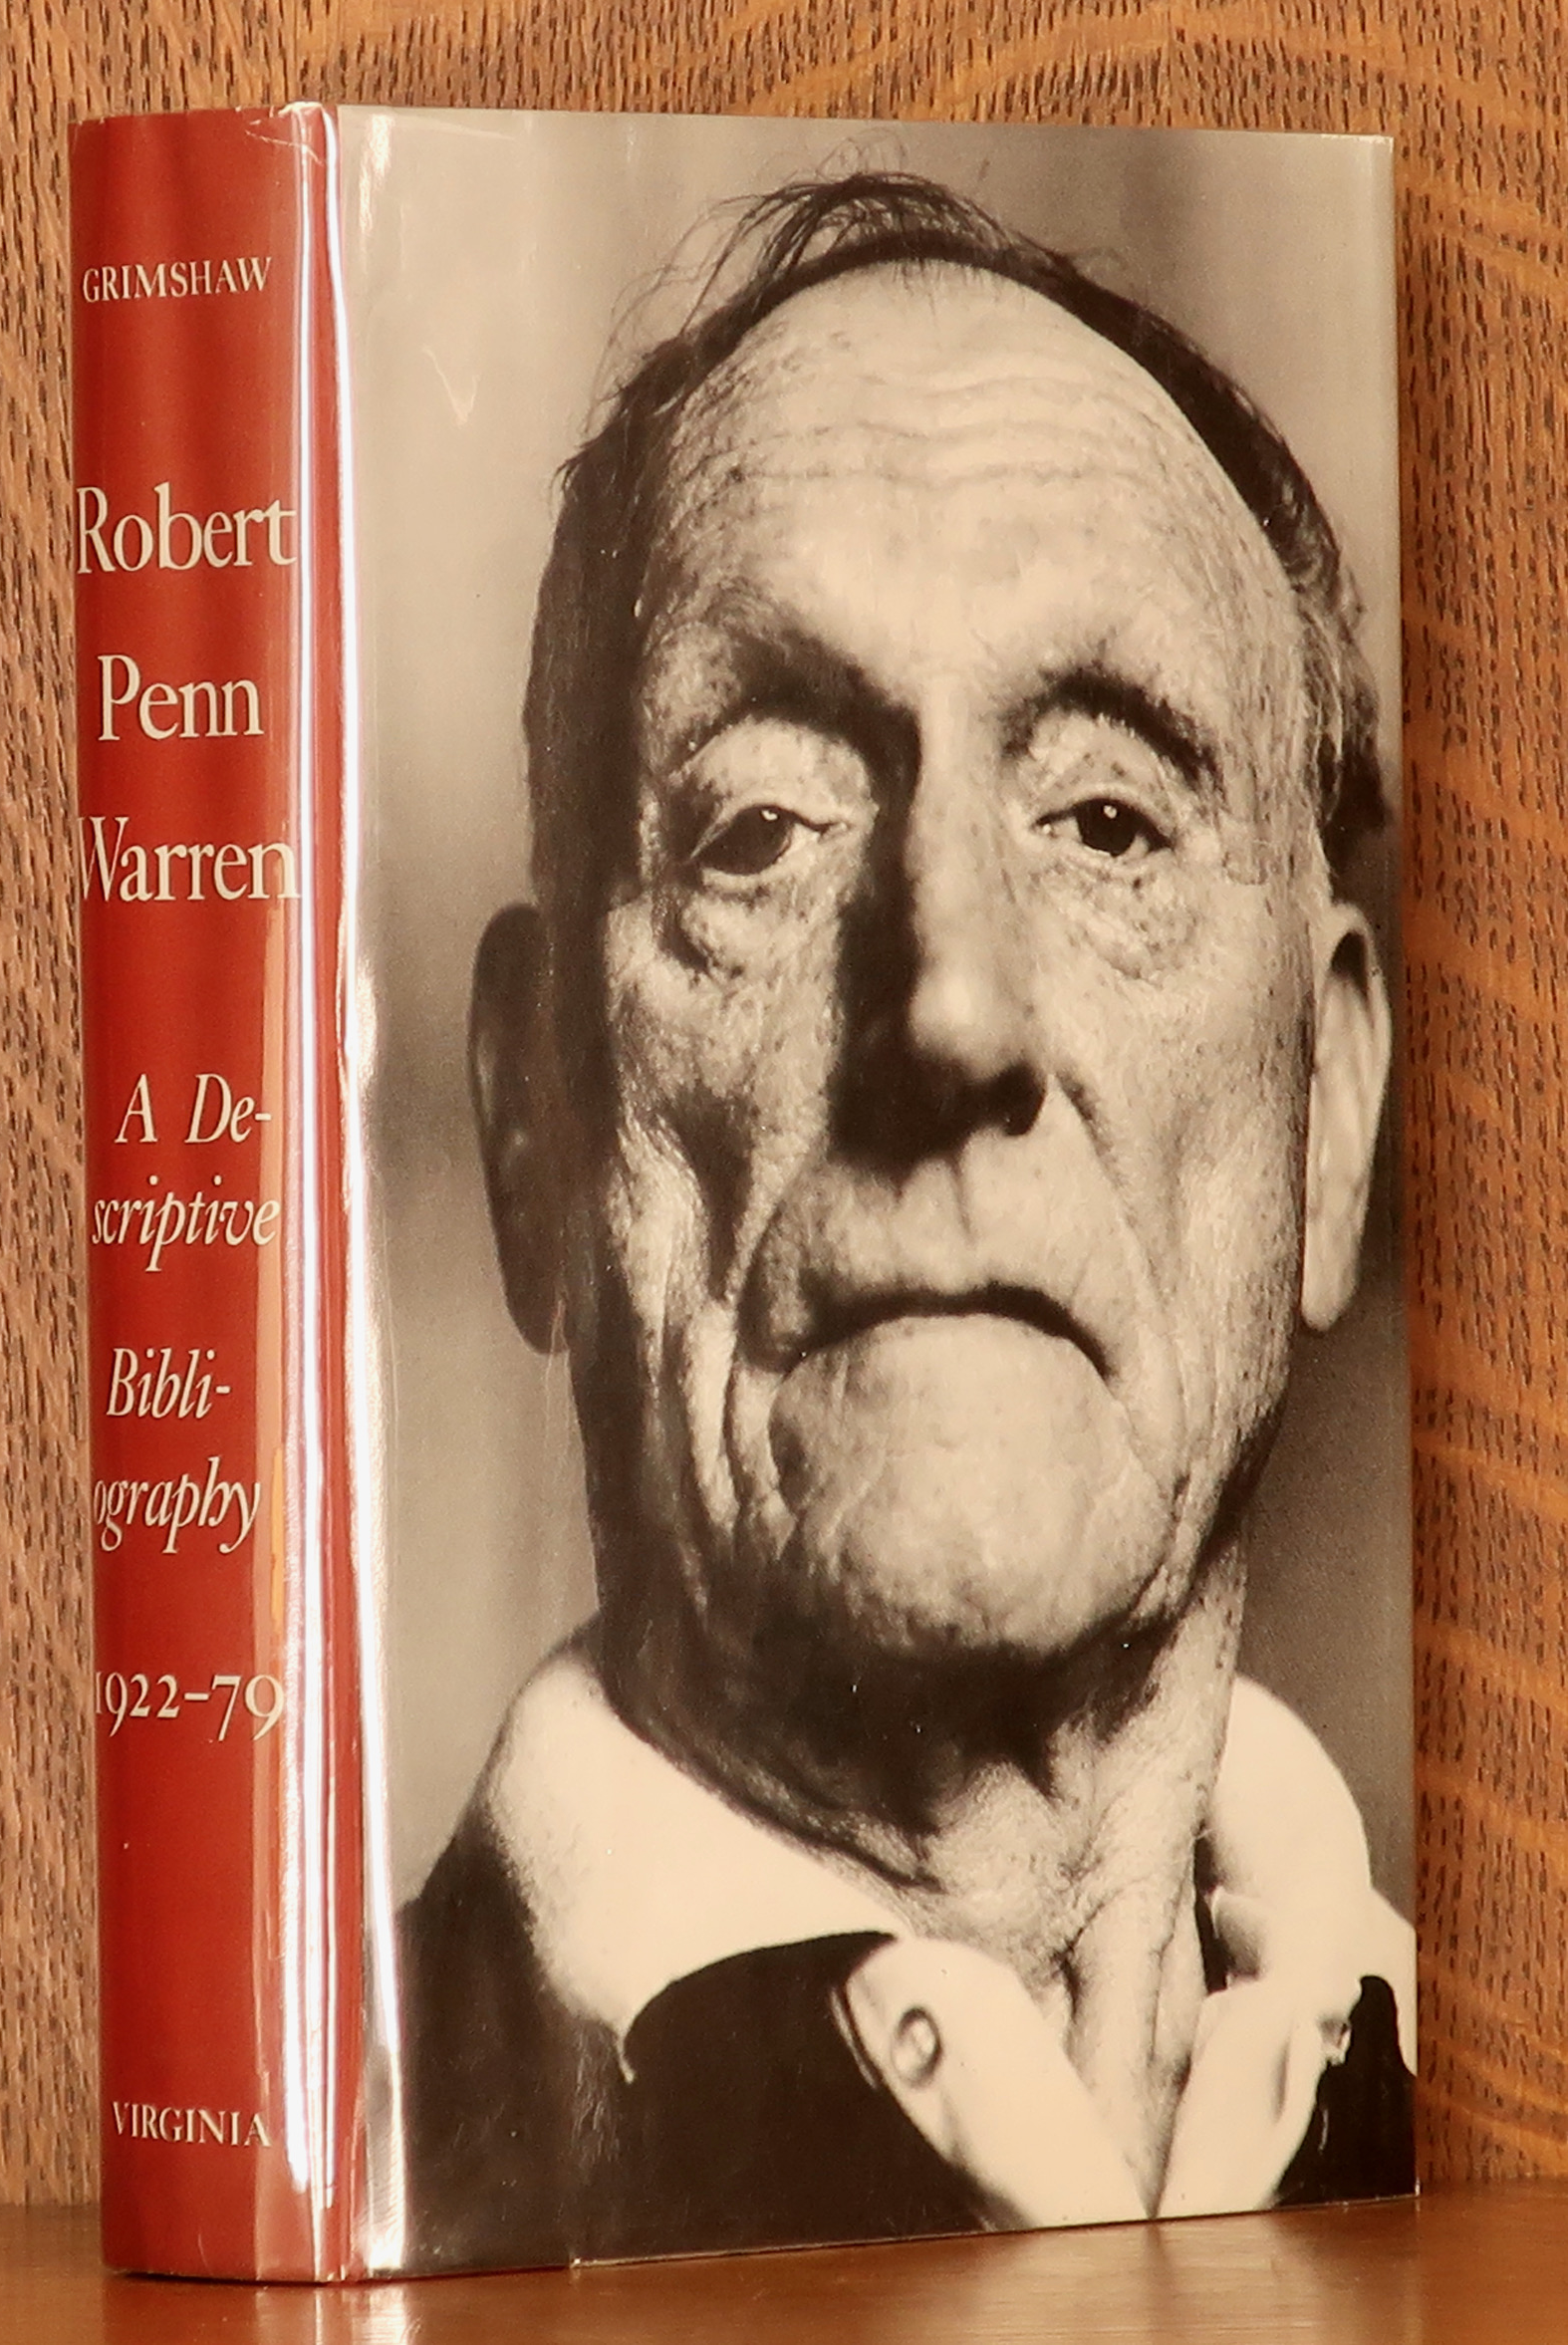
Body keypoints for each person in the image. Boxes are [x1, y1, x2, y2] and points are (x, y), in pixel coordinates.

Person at [398, 173, 1414, 2270]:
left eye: (1109, 821)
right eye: (761, 829)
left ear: (1325, 1119)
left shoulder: (1505, 2119)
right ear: (532, 1131)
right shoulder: (330, 2155)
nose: (950, 1003)